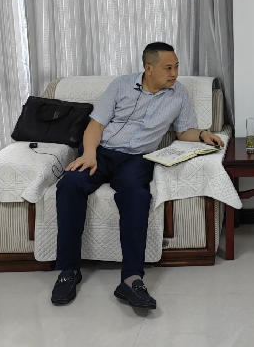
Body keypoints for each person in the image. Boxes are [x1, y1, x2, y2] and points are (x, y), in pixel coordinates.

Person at [51, 42, 224, 309]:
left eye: (176, 67)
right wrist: (89, 154)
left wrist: (202, 134)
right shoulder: (121, 86)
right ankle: (68, 271)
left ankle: (131, 279)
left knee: (136, 196)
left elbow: (183, 132)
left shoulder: (178, 93)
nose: (174, 73)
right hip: (102, 153)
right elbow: (95, 125)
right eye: (168, 68)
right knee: (69, 184)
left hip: (137, 159)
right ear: (148, 68)